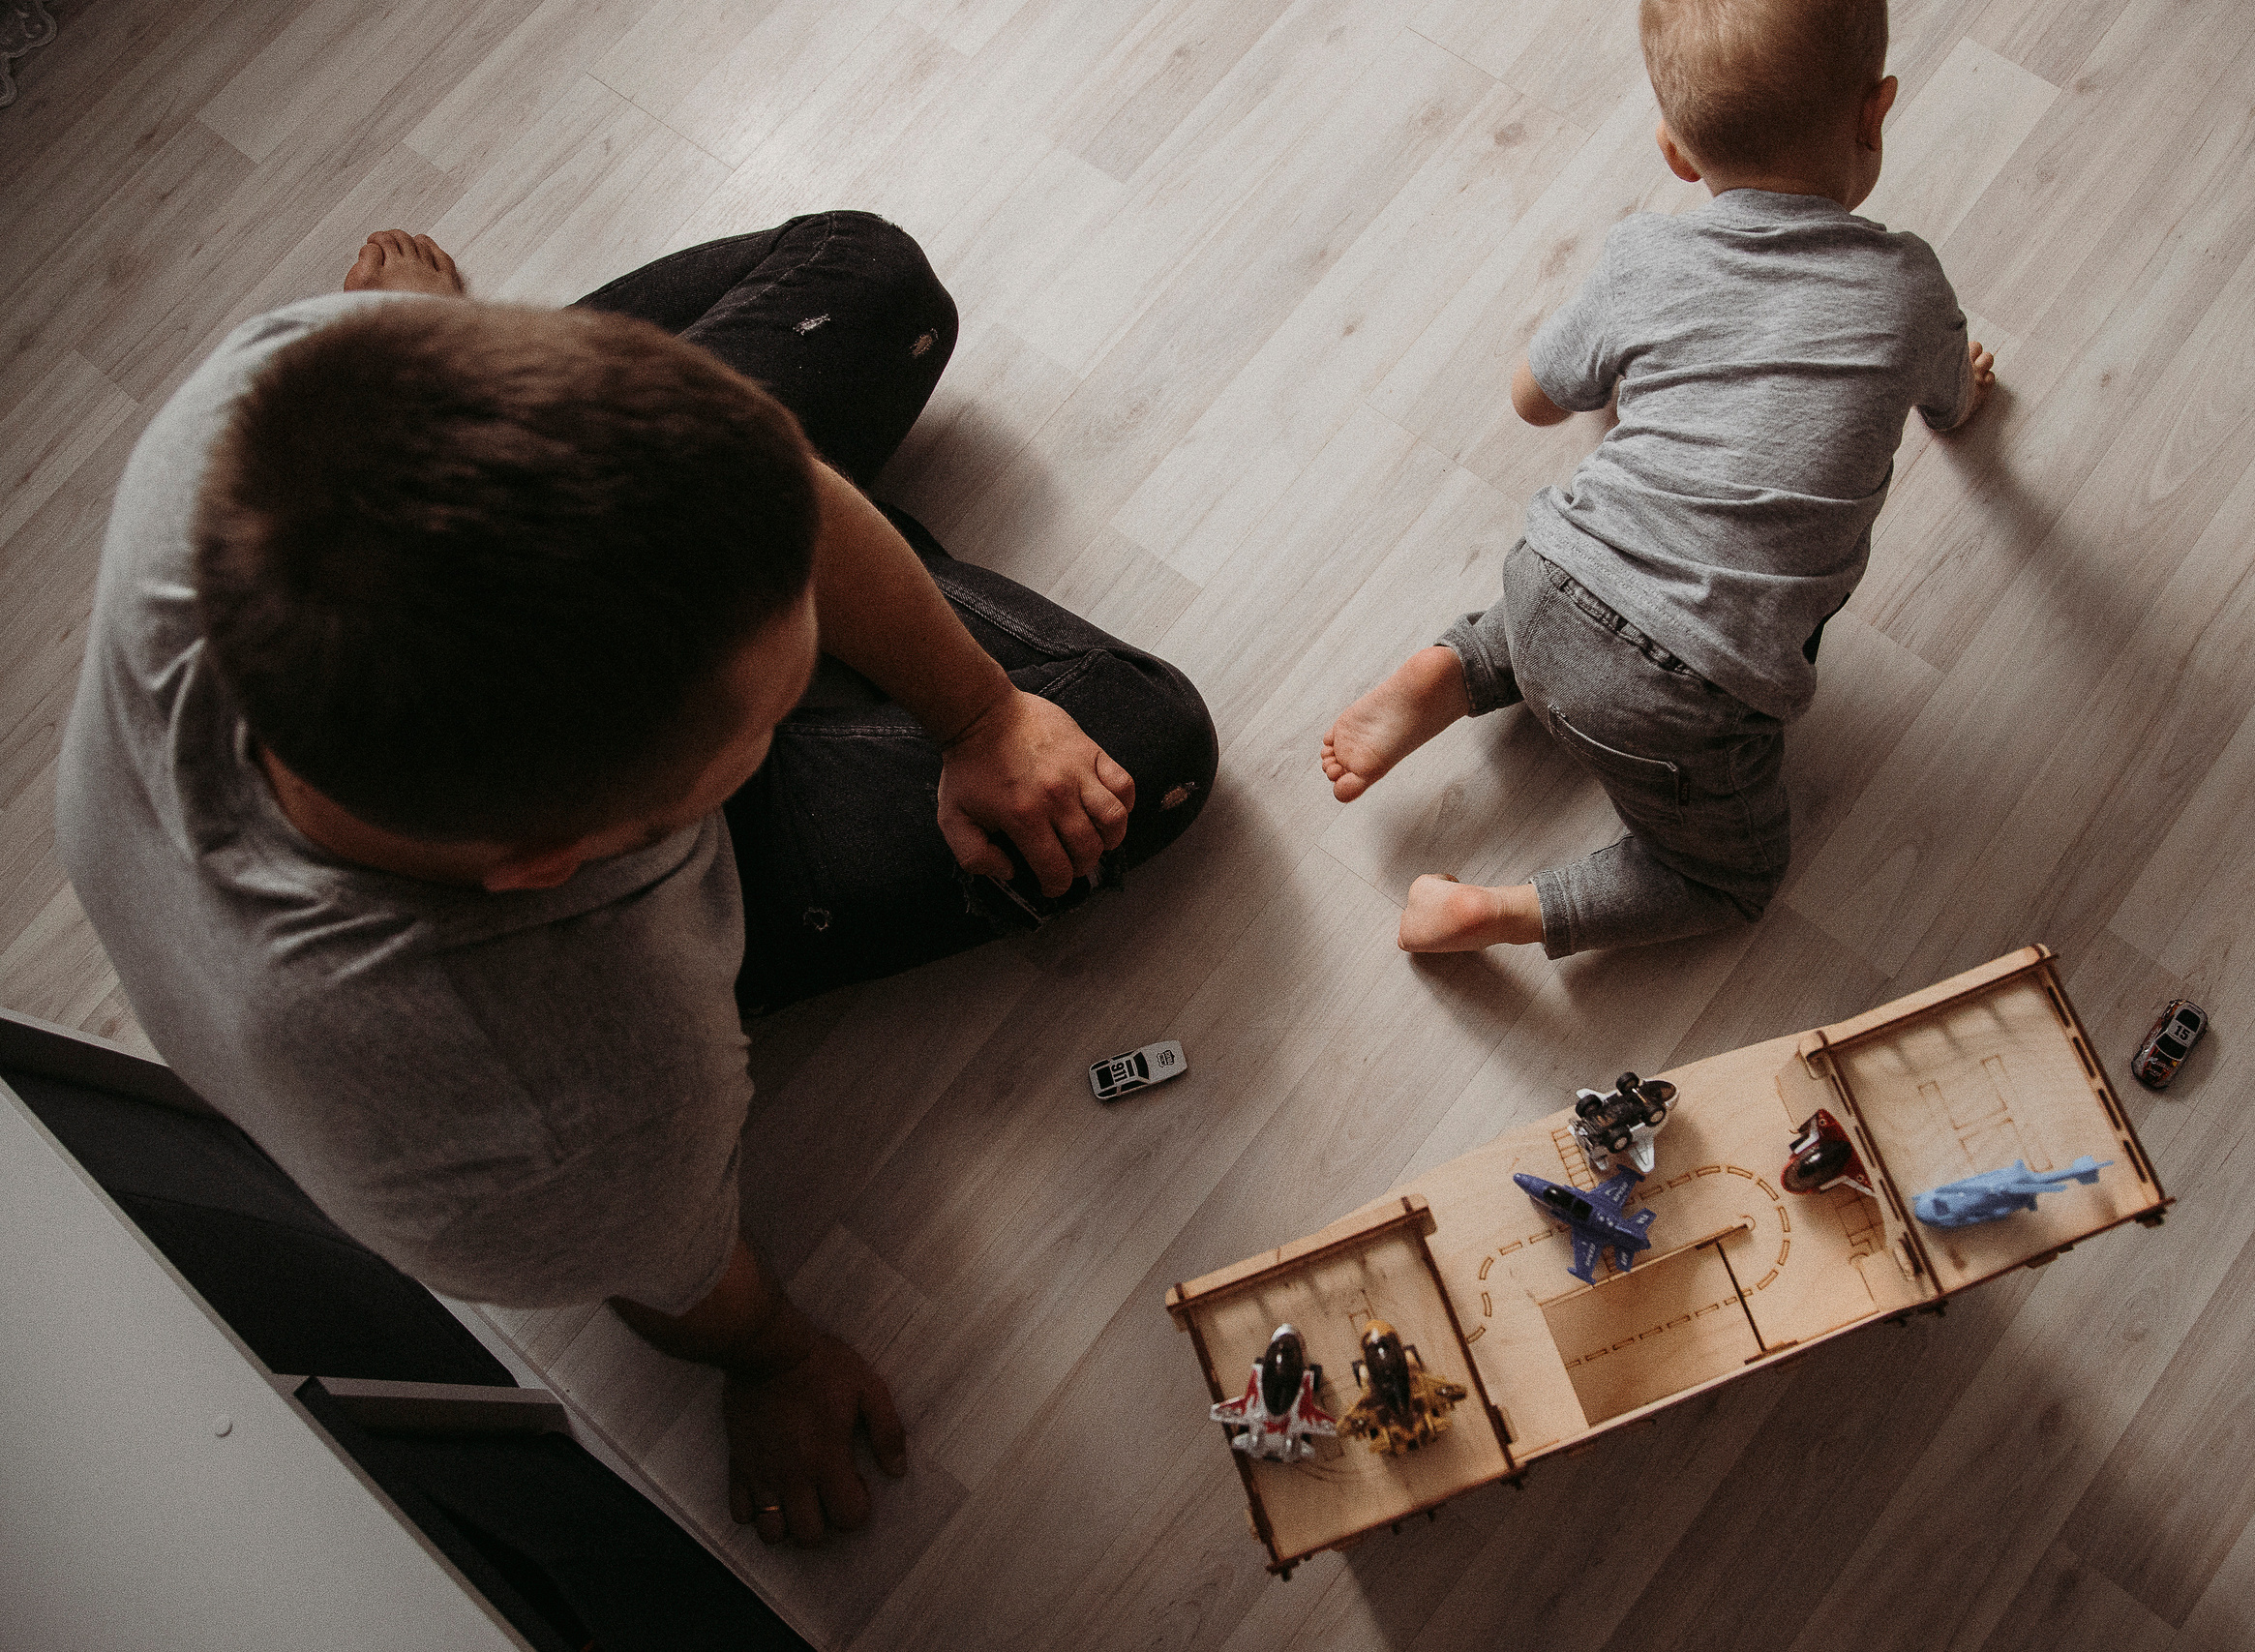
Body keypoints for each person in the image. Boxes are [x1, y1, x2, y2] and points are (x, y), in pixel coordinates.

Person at [55, 215, 1217, 1547]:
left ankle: (620, 518)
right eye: (763, 715)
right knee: (1148, 756)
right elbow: (674, 1270)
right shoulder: (565, 1097)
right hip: (512, 999)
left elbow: (769, 484)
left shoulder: (283, 413)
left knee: (875, 281)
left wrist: (980, 717)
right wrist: (768, 1354)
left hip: (461, 553)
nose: (797, 678)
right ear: (570, 857)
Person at [1320, 0, 1995, 957]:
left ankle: (1456, 667)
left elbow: (1532, 399)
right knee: (1730, 880)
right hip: (1688, 701)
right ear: (1872, 113)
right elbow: (1948, 408)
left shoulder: (1647, 254)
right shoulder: (1908, 289)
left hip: (1548, 577)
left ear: (1674, 153)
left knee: (1594, 589)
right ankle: (1492, 913)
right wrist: (1959, 388)